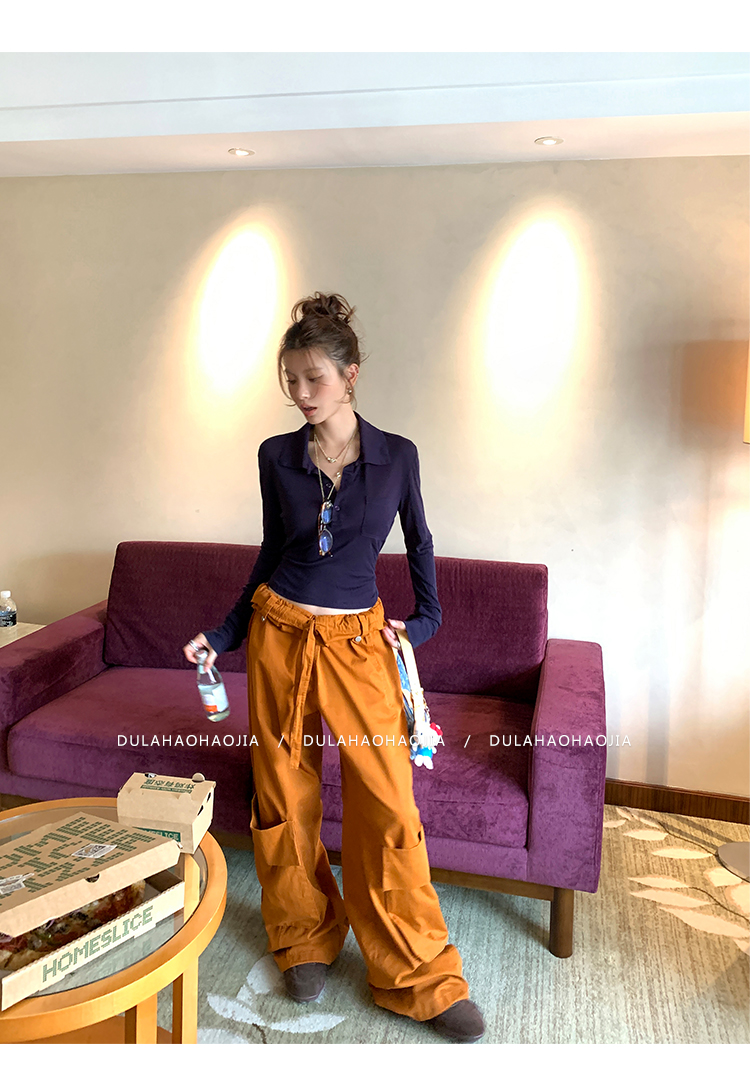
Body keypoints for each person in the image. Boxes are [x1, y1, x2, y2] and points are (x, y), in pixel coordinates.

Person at [183, 292, 484, 1043]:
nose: (300, 392)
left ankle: (418, 973)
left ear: (350, 375)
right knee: (283, 793)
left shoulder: (397, 456)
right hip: (279, 634)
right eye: (290, 379)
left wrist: (425, 621)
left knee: (388, 805)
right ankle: (303, 937)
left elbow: (421, 541)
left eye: (313, 377)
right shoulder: (275, 456)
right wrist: (224, 632)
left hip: (359, 646)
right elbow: (269, 553)